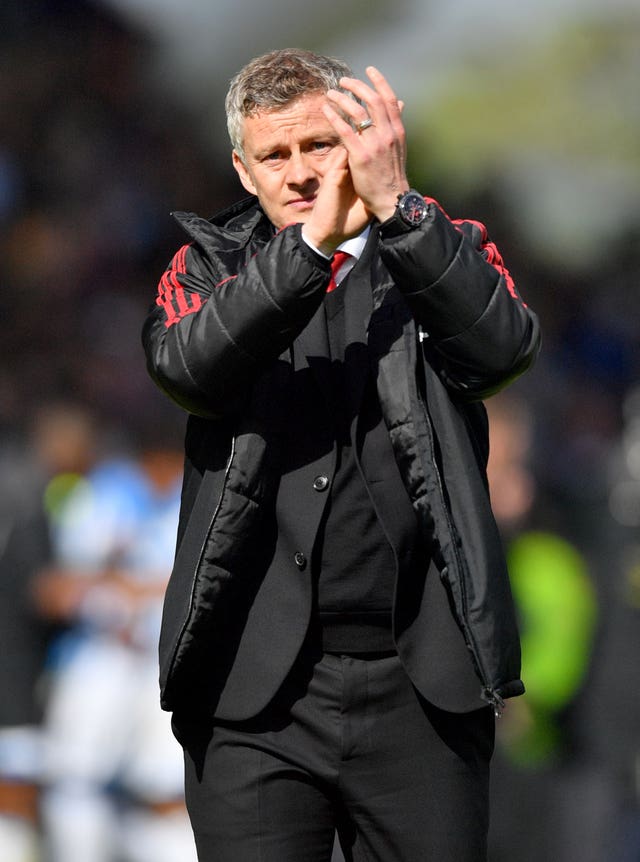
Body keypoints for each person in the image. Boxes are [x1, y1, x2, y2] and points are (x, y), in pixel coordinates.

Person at [142, 48, 540, 862]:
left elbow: (503, 349)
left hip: (422, 690)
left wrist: (398, 212)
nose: (296, 173)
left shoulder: (444, 247)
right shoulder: (205, 265)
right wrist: (312, 245)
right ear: (242, 172)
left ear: (366, 141)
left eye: (318, 146)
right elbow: (187, 369)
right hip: (252, 698)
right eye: (273, 156)